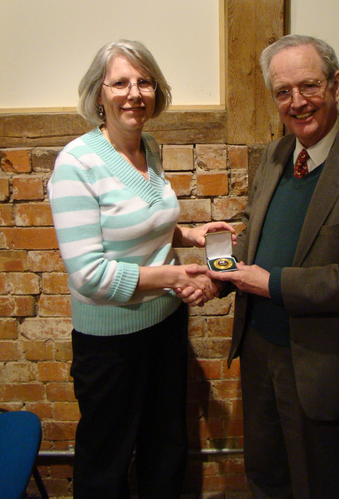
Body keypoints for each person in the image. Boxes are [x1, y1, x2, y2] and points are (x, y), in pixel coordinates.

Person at [196, 34, 339, 498]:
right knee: (265, 479)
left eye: (309, 86)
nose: (297, 102)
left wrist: (270, 284)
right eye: (283, 92)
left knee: (322, 486)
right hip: (260, 354)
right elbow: (256, 229)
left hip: (324, 366)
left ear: (335, 85)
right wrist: (221, 274)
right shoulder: (275, 155)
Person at [48, 40, 234, 499]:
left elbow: (139, 227)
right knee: (106, 461)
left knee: (165, 447)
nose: (134, 93)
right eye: (121, 83)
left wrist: (189, 236)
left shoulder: (148, 147)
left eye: (144, 82)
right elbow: (89, 274)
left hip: (166, 327)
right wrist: (175, 277)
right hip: (110, 343)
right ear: (99, 94)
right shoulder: (76, 163)